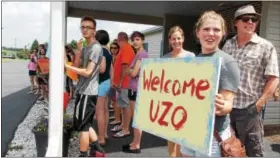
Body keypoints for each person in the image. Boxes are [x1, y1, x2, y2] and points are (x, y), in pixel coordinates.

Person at [181, 11, 240, 157]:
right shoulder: (194, 61)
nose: (211, 34)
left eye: (216, 30)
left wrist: (221, 105)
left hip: (212, 134)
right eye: (206, 29)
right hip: (188, 128)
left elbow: (228, 106)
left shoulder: (227, 62)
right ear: (198, 33)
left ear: (223, 33)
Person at [222, 5, 279, 156]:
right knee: (229, 151)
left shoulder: (266, 47)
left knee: (254, 153)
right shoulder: (228, 45)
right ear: (236, 23)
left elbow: (273, 79)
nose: (251, 22)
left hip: (249, 111)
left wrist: (258, 106)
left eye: (254, 19)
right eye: (246, 19)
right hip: (227, 110)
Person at [64, 16, 105, 157]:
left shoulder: (95, 48)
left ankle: (83, 154)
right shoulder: (87, 47)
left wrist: (66, 66)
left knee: (83, 127)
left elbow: (87, 72)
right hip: (82, 90)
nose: (85, 29)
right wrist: (79, 51)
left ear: (94, 30)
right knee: (84, 124)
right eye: (83, 27)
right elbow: (79, 66)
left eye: (88, 27)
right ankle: (99, 150)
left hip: (88, 92)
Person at [162, 26, 195, 157]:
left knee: (181, 133)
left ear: (183, 39)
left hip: (184, 100)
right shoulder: (165, 58)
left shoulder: (190, 56)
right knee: (170, 134)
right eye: (174, 38)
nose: (176, 41)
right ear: (170, 40)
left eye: (179, 38)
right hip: (169, 100)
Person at [122, 31, 148, 153]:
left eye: (138, 39)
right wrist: (131, 70)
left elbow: (132, 73)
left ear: (142, 40)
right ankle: (134, 141)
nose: (135, 42)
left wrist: (130, 70)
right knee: (135, 118)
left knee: (137, 119)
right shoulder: (138, 54)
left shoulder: (142, 54)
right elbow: (130, 71)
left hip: (137, 89)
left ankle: (136, 145)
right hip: (133, 88)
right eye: (133, 40)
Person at [111, 32, 135, 138]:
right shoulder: (124, 48)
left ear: (119, 39)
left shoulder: (126, 48)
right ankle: (122, 125)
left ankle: (126, 130)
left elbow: (125, 67)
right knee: (123, 106)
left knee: (126, 107)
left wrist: (120, 82)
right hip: (122, 84)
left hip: (124, 84)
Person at [95, 30, 112, 146]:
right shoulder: (108, 51)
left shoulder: (100, 50)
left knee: (99, 112)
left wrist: (90, 70)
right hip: (107, 82)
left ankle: (101, 138)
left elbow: (102, 68)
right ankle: (104, 133)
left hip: (101, 84)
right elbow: (111, 69)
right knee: (105, 110)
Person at [108, 42, 122, 125]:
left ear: (118, 48)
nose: (113, 49)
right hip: (111, 81)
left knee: (116, 101)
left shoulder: (118, 57)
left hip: (116, 82)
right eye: (112, 48)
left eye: (115, 48)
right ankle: (115, 115)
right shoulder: (111, 57)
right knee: (113, 101)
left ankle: (118, 119)